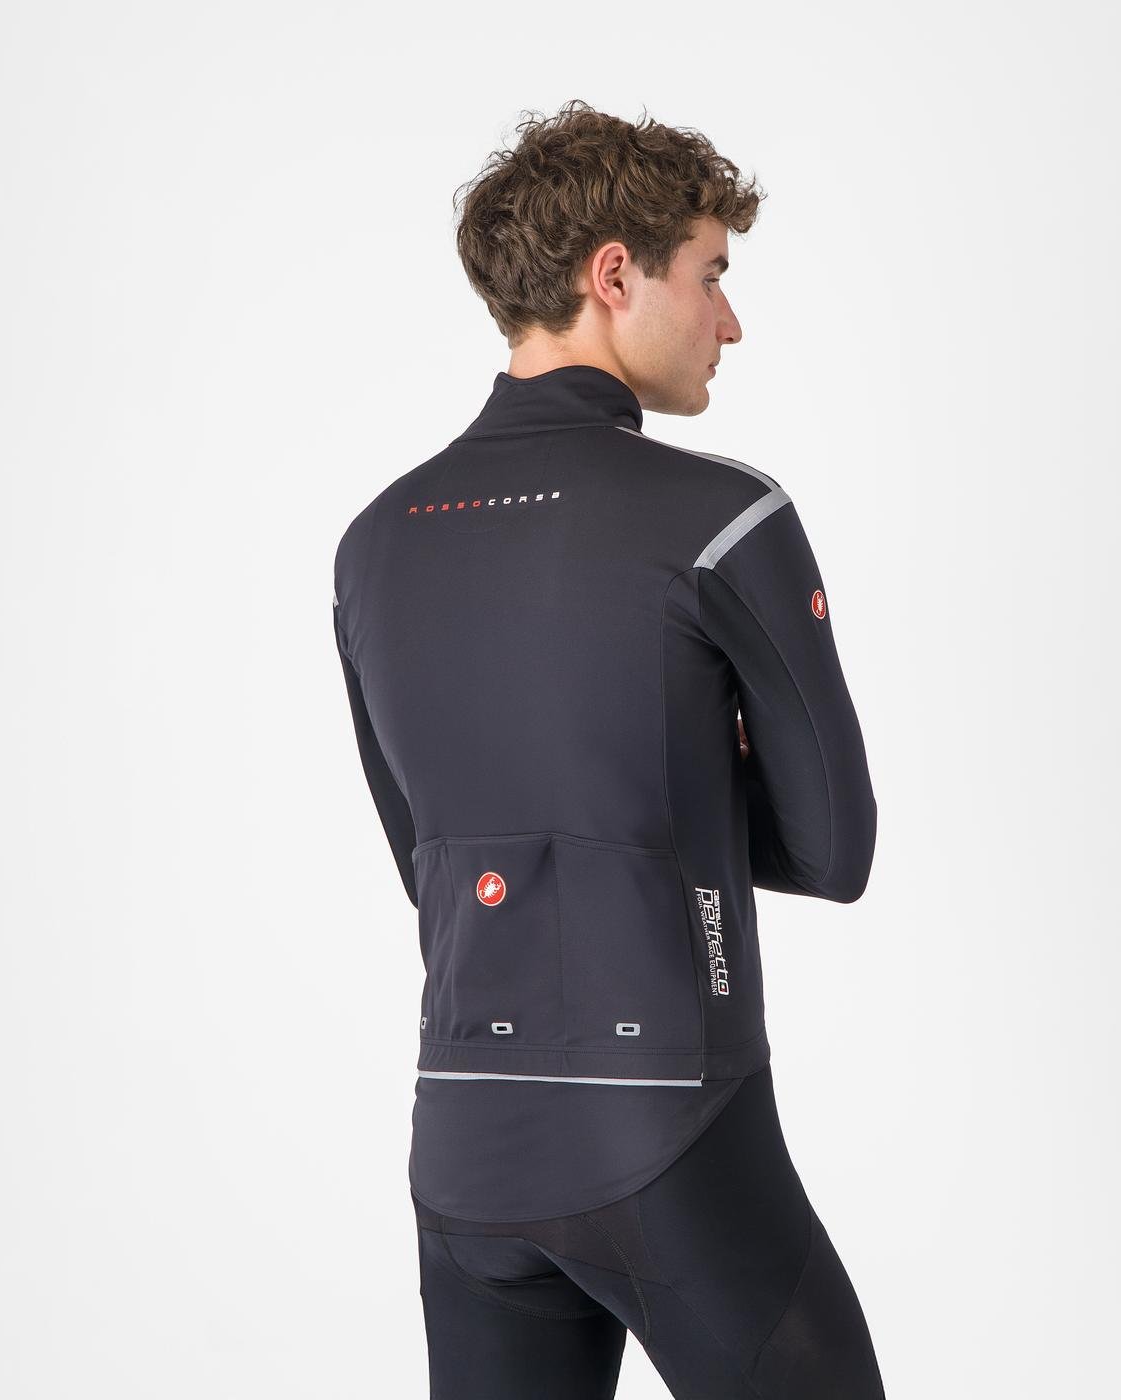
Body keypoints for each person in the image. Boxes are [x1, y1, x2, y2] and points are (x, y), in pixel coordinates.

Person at [333, 99, 885, 1398]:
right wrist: (700, 769)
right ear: (616, 274)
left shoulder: (376, 540)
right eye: (713, 275)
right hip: (669, 1131)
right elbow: (834, 849)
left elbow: (421, 855)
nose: (730, 323)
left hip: (463, 1151)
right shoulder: (722, 520)